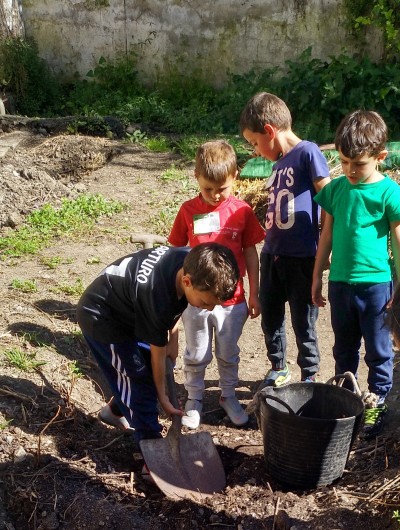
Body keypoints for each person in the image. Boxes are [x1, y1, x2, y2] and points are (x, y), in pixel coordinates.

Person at [76, 242, 240, 443]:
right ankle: (149, 441)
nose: (209, 309)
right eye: (206, 303)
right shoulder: (157, 296)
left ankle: (114, 412)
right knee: (137, 379)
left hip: (133, 311)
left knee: (150, 372)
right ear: (187, 282)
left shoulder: (192, 260)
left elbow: (175, 304)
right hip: (103, 318)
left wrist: (174, 338)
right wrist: (163, 398)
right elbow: (158, 352)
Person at [312, 110, 400, 439]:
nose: (349, 170)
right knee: (343, 347)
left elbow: (398, 239)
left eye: (358, 164)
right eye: (344, 161)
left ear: (380, 157)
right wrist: (317, 274)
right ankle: (346, 397)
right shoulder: (336, 190)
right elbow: (327, 235)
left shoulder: (389, 192)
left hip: (377, 285)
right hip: (340, 285)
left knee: (378, 349)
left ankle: (376, 400)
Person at [168, 140, 265, 429]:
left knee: (227, 351)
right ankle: (194, 398)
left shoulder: (242, 211)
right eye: (207, 188)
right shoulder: (188, 211)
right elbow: (175, 251)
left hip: (232, 300)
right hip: (196, 299)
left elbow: (250, 251)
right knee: (196, 351)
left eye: (221, 188)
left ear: (235, 177)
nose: (213, 195)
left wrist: (254, 293)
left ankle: (228, 396)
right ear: (196, 177)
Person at [239, 92, 330, 389]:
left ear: (269, 131)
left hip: (302, 257)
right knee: (271, 313)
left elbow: (329, 199)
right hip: (273, 253)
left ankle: (309, 374)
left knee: (303, 320)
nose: (255, 150)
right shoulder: (278, 164)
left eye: (254, 143)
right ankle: (278, 366)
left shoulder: (307, 152)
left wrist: (326, 248)